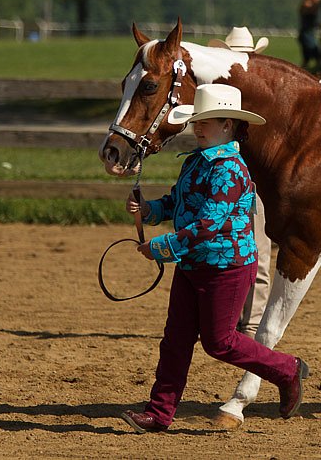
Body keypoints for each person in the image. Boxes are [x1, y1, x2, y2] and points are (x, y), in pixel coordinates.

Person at [120, 84, 309, 433]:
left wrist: (160, 248)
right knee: (175, 339)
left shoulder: (230, 170)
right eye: (197, 120)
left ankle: (287, 369)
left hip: (226, 267)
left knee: (219, 342)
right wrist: (148, 210)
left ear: (229, 125)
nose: (199, 127)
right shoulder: (195, 162)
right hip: (194, 264)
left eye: (208, 121)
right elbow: (177, 204)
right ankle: (159, 413)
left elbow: (207, 225)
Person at [208, 26, 273, 340]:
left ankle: (251, 323)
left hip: (253, 180)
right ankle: (230, 319)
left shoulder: (264, 94)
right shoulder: (219, 93)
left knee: (257, 251)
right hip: (226, 178)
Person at [298, 0, 321, 69]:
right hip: (306, 34)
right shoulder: (306, 4)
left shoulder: (310, 5)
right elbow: (310, 11)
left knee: (310, 57)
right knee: (313, 54)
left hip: (309, 33)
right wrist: (319, 3)